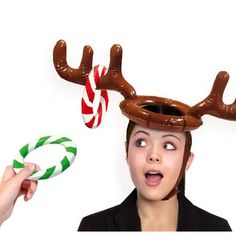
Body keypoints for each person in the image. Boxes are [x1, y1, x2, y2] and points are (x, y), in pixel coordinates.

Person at [78, 105, 232, 231]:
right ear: (127, 152)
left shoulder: (217, 229)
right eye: (141, 143)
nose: (153, 155)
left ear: (187, 161)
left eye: (169, 145)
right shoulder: (93, 227)